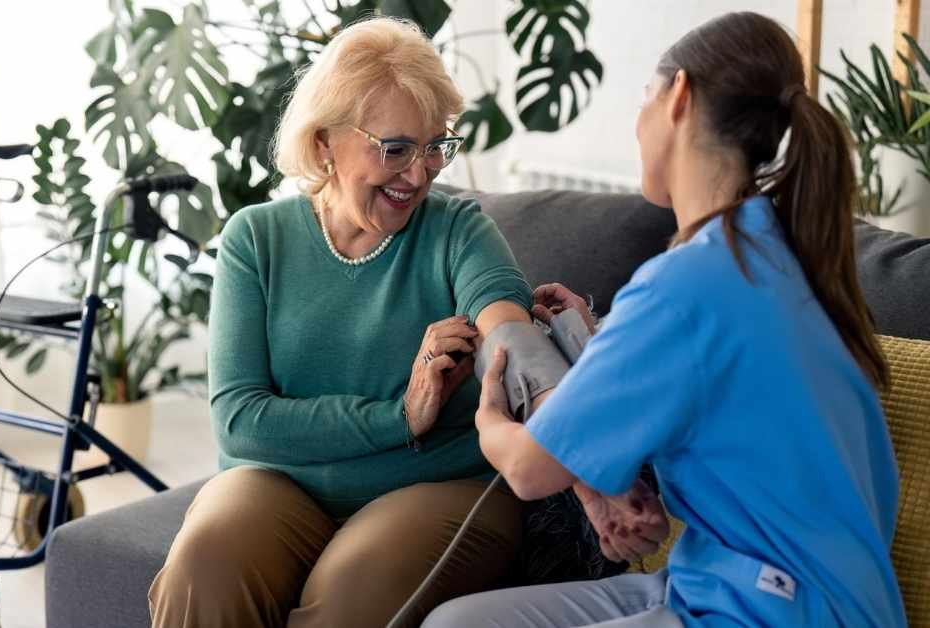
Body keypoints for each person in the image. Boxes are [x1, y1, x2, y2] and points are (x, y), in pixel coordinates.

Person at [148, 16, 664, 628]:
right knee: (204, 568)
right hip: (277, 486)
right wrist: (398, 417)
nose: (419, 174)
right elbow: (239, 422)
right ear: (323, 145)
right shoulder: (256, 240)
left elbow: (513, 338)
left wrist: (588, 474)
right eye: (394, 149)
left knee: (351, 596)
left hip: (437, 489)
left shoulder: (458, 231)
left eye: (435, 147)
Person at [423, 11, 906, 628]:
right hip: (730, 583)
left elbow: (527, 468)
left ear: (677, 96)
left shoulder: (689, 284)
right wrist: (598, 349)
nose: (638, 122)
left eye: (643, 98)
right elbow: (713, 404)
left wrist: (490, 416)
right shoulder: (778, 257)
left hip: (775, 611)